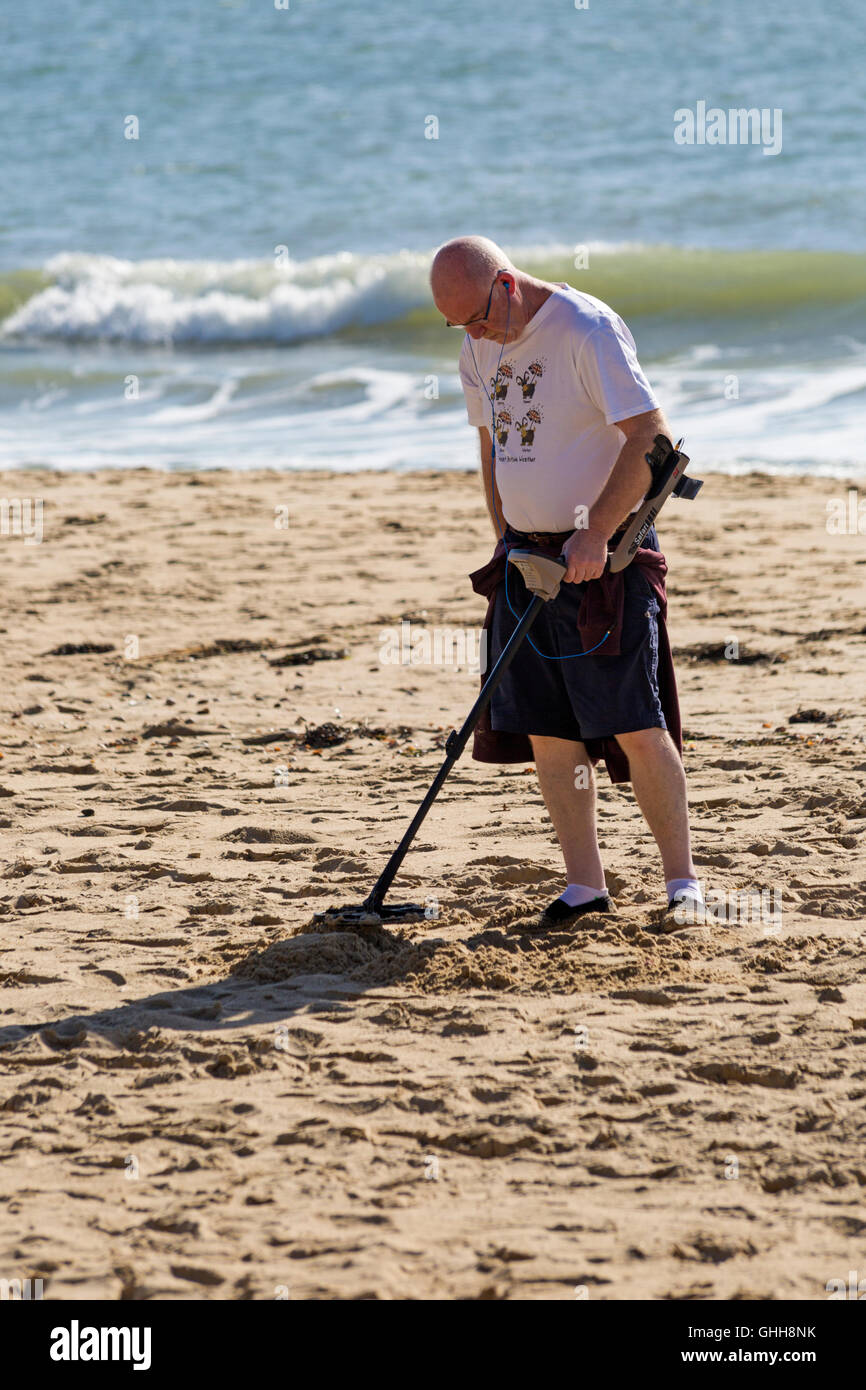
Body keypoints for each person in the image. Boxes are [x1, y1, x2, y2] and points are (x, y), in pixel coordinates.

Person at [430, 235, 704, 926]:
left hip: (606, 558)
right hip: (527, 560)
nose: (475, 335)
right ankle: (586, 885)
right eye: (459, 326)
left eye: (479, 318)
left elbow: (650, 437)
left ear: (507, 284)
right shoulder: (477, 345)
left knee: (637, 722)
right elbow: (490, 444)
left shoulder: (587, 329)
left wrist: (597, 533)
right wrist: (504, 533)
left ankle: (682, 884)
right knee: (549, 732)